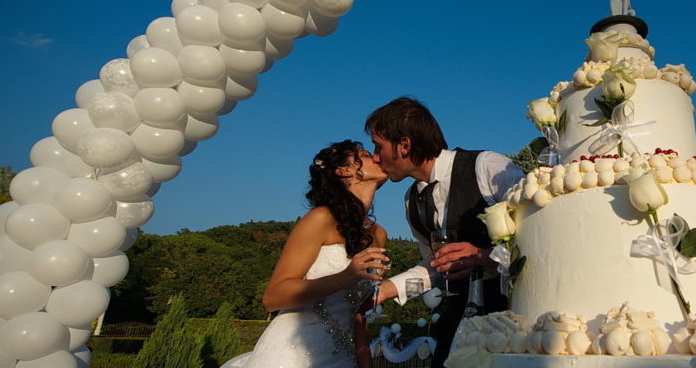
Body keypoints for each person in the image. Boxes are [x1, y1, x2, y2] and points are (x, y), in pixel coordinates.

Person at [367, 97, 523, 368]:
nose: (375, 158)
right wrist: (384, 291)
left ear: (404, 145)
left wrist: (486, 256)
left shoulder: (486, 167)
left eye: (378, 147)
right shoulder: (411, 201)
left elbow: (540, 236)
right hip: (458, 327)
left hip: (512, 323)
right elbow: (436, 269)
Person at [224, 140, 391, 368]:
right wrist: (345, 277)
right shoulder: (320, 219)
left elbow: (358, 314)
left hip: (343, 359)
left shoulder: (378, 235)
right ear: (344, 171)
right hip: (292, 355)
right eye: (365, 154)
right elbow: (273, 298)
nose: (378, 158)